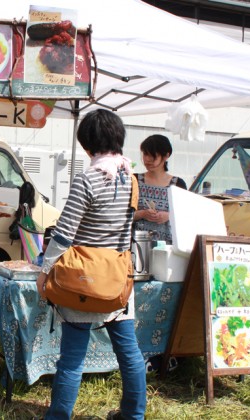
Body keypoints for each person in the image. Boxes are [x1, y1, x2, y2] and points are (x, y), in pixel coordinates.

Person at [36, 109, 146, 420]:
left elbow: (65, 232)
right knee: (129, 353)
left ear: (87, 144)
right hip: (118, 279)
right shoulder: (130, 178)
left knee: (72, 358)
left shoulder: (88, 179)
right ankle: (133, 415)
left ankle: (59, 417)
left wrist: (44, 272)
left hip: (82, 279)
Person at [133, 134, 187, 244]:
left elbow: (186, 215)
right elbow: (122, 213)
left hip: (168, 245)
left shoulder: (178, 184)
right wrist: (142, 213)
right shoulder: (134, 180)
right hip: (137, 245)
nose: (148, 160)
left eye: (153, 156)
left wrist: (168, 216)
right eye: (145, 154)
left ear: (166, 156)